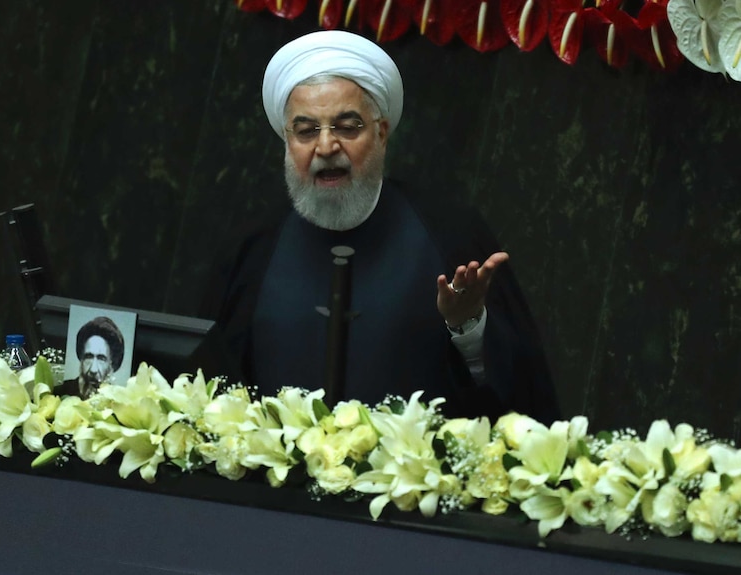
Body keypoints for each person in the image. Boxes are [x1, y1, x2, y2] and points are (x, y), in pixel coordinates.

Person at [207, 30, 560, 425]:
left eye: (347, 126)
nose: (326, 147)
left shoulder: (450, 235)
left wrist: (468, 327)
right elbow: (209, 395)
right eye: (306, 131)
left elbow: (517, 401)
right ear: (287, 142)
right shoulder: (252, 250)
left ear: (381, 132)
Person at [53, 316, 125, 399]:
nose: (93, 370)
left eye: (101, 359)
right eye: (89, 357)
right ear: (81, 358)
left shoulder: (118, 401)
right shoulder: (57, 394)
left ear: (111, 363)